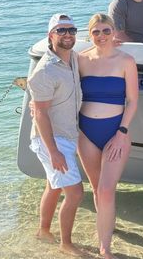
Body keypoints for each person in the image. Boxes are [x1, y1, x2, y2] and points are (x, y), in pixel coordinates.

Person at [78, 13, 138, 259]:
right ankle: (105, 228)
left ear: (114, 31)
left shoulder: (126, 60)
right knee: (95, 187)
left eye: (106, 31)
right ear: (89, 34)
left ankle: (105, 249)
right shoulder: (80, 59)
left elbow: (133, 101)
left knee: (106, 189)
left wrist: (122, 132)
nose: (101, 36)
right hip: (86, 133)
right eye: (96, 32)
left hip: (116, 132)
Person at [28, 14, 83, 256]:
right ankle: (66, 244)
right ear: (51, 36)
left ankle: (43, 231)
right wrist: (54, 153)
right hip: (52, 139)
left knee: (53, 186)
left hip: (67, 135)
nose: (67, 34)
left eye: (71, 29)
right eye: (61, 30)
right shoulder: (45, 71)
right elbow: (40, 114)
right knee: (75, 192)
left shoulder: (73, 59)